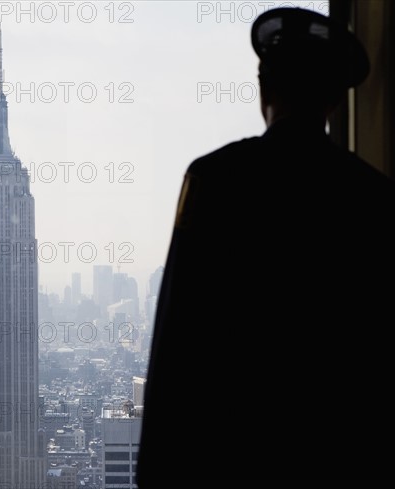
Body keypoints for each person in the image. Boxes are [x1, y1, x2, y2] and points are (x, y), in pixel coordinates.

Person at [137, 7, 395, 486]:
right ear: (335, 100)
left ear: (264, 91)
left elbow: (179, 340)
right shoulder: (374, 198)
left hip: (234, 457)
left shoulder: (214, 179)